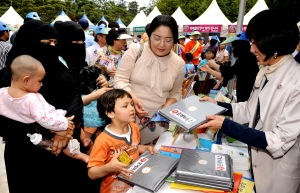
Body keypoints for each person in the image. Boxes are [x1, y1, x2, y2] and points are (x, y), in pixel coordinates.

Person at [198, 9, 300, 193]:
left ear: (273, 44)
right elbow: (249, 108)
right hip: (257, 163)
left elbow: (278, 140)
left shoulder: (296, 81)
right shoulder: (266, 70)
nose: (252, 49)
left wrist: (226, 126)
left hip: (279, 173)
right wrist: (219, 106)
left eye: (255, 43)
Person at [0, 19, 96, 193]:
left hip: (64, 147)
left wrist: (65, 132)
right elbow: (4, 120)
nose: (51, 47)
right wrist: (52, 131)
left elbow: (74, 101)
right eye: (46, 43)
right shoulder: (7, 78)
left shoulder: (60, 69)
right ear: (27, 43)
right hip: (26, 152)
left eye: (54, 43)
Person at [1, 55, 89, 163]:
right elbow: (45, 118)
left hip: (30, 131)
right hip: (52, 123)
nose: (41, 84)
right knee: (66, 140)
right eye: (39, 81)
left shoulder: (3, 93)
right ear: (26, 80)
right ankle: (82, 154)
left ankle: (84, 142)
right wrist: (64, 124)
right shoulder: (31, 99)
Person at [114, 15, 185, 145]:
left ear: (175, 40)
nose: (162, 44)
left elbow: (176, 92)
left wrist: (163, 111)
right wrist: (133, 99)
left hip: (157, 124)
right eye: (157, 38)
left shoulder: (179, 63)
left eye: (168, 40)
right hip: (127, 118)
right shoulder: (136, 51)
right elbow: (119, 79)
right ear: (149, 35)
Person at [88, 89, 157, 193]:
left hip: (135, 185)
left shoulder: (134, 127)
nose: (132, 108)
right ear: (110, 113)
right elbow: (92, 173)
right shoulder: (103, 140)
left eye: (132, 104)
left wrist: (145, 148)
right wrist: (109, 168)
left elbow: (134, 148)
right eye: (125, 106)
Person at [201, 31, 259, 102]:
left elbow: (229, 72)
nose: (232, 49)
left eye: (234, 46)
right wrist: (209, 69)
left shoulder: (246, 59)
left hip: (248, 95)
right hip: (246, 94)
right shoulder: (246, 58)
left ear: (240, 46)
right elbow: (228, 75)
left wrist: (214, 65)